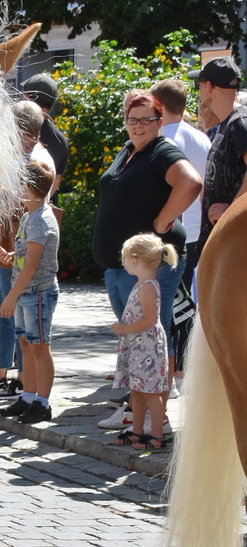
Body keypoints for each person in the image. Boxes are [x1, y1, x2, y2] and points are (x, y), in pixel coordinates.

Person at [91, 90, 200, 429]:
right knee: (136, 338)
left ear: (160, 121)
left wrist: (164, 220)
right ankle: (136, 409)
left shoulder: (162, 151)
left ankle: (157, 417)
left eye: (146, 119)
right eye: (132, 119)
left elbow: (191, 181)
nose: (138, 125)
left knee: (154, 335)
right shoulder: (129, 151)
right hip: (122, 266)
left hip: (152, 267)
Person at [150, 76, 209, 378]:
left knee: (171, 304)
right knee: (185, 301)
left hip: (176, 233)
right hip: (200, 231)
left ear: (158, 105)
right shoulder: (200, 136)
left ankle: (174, 366)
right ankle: (183, 364)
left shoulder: (167, 139)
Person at [0, 164, 60, 422]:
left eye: (20, 183)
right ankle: (28, 397)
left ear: (31, 187)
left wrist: (10, 296)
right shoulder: (28, 217)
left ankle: (42, 403)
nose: (16, 188)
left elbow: (33, 265)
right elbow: (28, 257)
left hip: (38, 293)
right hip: (26, 292)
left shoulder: (41, 220)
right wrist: (12, 257)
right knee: (26, 345)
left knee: (40, 347)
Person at [111, 233, 176, 451]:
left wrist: (124, 329)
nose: (124, 263)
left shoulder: (148, 286)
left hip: (147, 347)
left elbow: (149, 319)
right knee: (137, 390)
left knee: (151, 392)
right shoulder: (141, 284)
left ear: (135, 260)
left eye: (125, 258)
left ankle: (157, 434)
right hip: (138, 346)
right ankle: (137, 430)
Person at [192, 55, 247, 249]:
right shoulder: (228, 123)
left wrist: (231, 210)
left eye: (198, 84)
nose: (198, 90)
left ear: (209, 86)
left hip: (235, 246)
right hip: (222, 244)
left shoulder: (240, 122)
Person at [21, 72, 68, 189]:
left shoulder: (14, 130)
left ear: (26, 96)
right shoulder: (61, 141)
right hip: (43, 204)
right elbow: (54, 185)